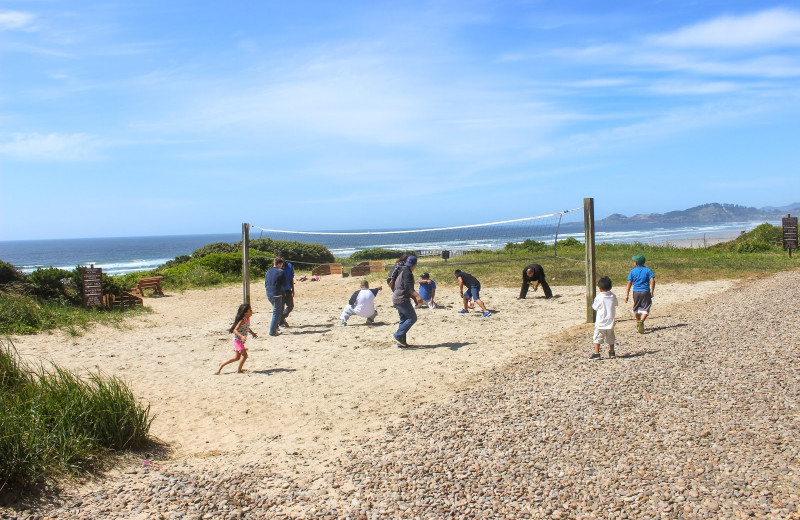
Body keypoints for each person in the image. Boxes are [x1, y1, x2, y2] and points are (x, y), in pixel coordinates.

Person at [217, 303, 258, 374]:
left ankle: (222, 364)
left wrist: (252, 333)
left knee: (237, 357)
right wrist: (241, 336)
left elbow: (247, 327)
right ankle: (238, 371)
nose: (252, 311)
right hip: (237, 340)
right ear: (245, 313)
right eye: (250, 310)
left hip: (239, 341)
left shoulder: (247, 319)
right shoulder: (242, 320)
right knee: (245, 355)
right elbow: (235, 330)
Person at [392, 255, 423, 347]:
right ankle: (398, 335)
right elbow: (408, 288)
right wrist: (417, 296)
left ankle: (402, 342)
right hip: (402, 299)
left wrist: (413, 298)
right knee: (412, 318)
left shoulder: (401, 270)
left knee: (403, 320)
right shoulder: (407, 273)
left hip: (396, 298)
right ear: (415, 264)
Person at [624, 254, 655, 334]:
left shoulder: (633, 271)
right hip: (645, 291)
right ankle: (641, 321)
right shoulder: (648, 270)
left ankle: (638, 322)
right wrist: (652, 291)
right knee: (647, 307)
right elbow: (652, 280)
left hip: (636, 292)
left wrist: (627, 294)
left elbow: (629, 283)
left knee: (636, 307)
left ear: (636, 263)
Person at [590, 276, 618, 360]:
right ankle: (612, 352)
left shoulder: (599, 297)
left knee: (597, 337)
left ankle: (597, 353)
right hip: (610, 321)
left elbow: (595, 307)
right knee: (611, 337)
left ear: (600, 288)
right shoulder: (613, 296)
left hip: (601, 322)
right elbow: (616, 304)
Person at [264, 257, 286, 336]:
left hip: (268, 293)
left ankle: (276, 328)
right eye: (281, 265)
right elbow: (284, 284)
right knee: (276, 313)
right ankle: (272, 331)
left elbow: (266, 283)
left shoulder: (268, 271)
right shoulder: (281, 271)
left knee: (277, 311)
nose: (282, 266)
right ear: (279, 264)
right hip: (276, 293)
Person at [277, 254, 295, 328]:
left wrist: (293, 289)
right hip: (279, 290)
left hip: (287, 289)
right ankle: (281, 322)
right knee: (281, 307)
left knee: (290, 306)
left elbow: (291, 278)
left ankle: (282, 318)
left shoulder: (289, 266)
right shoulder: (276, 267)